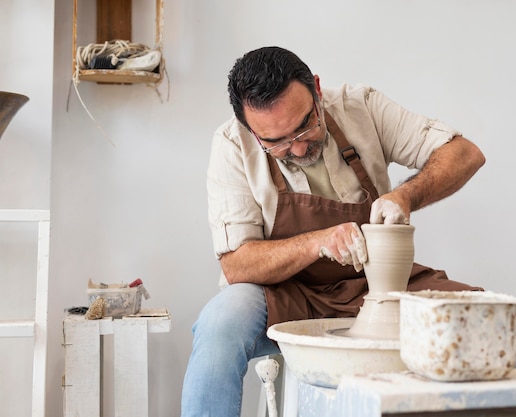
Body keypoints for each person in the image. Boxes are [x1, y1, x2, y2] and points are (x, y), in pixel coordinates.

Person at [181, 46, 486, 417]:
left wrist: (404, 196)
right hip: (284, 292)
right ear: (252, 130)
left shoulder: (361, 106)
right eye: (275, 142)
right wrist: (318, 242)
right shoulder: (232, 145)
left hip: (375, 285)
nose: (297, 147)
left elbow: (465, 153)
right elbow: (238, 265)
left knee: (477, 316)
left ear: (317, 91)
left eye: (304, 126)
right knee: (219, 324)